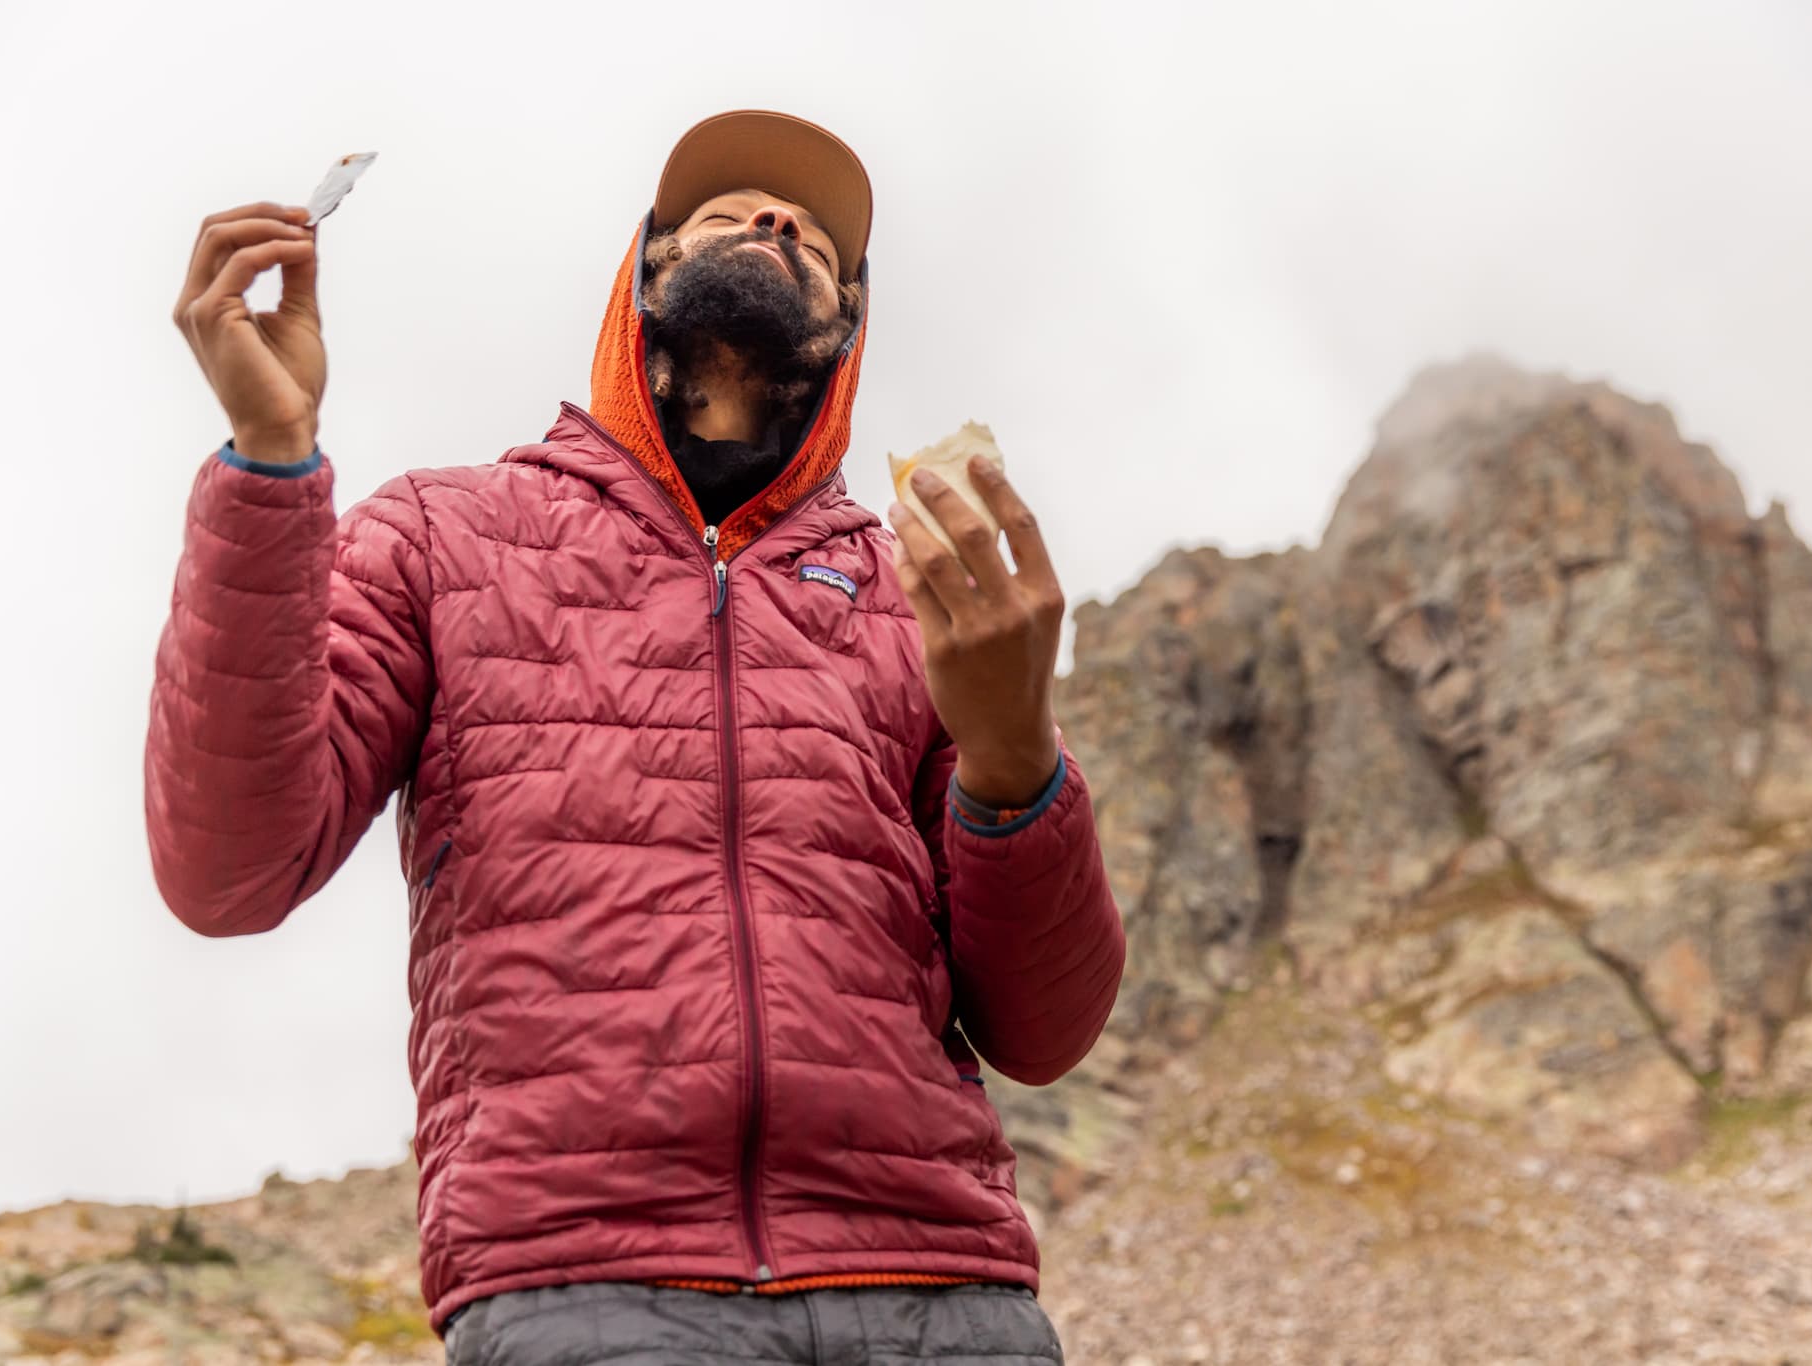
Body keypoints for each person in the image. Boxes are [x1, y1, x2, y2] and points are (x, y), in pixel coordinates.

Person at [149, 109, 1124, 1365]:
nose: (777, 221)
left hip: (947, 1291)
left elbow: (1043, 1032)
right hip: (589, 1285)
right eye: (728, 212)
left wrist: (1013, 762)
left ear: (851, 331)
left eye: (820, 242)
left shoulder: (908, 601)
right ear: (641, 276)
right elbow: (228, 870)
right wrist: (271, 461)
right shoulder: (446, 536)